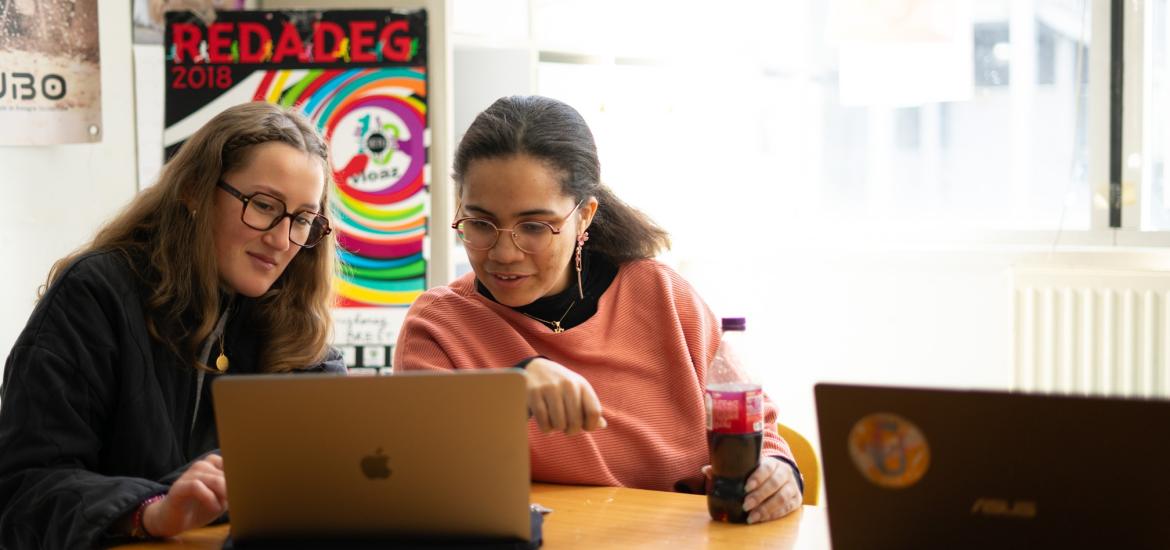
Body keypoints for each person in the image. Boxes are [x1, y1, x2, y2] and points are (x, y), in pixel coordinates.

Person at [395, 95, 804, 523]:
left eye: (534, 226)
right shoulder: (439, 327)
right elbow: (421, 473)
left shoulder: (662, 297)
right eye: (480, 223)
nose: (503, 253)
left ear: (585, 216)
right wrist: (508, 391)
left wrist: (776, 471)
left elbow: (757, 427)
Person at [0, 102, 346, 548]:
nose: (281, 240)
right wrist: (148, 511)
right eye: (263, 205)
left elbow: (328, 469)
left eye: (302, 220)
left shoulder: (297, 322)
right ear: (194, 191)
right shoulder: (96, 294)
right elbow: (25, 489)